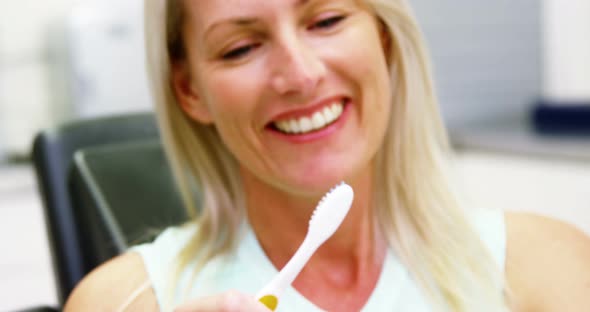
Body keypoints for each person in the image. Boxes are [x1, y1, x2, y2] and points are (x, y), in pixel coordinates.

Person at [65, 0, 590, 311]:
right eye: (240, 48)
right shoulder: (125, 301)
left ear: (383, 37)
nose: (300, 75)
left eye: (327, 19)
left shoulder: (546, 269)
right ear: (190, 90)